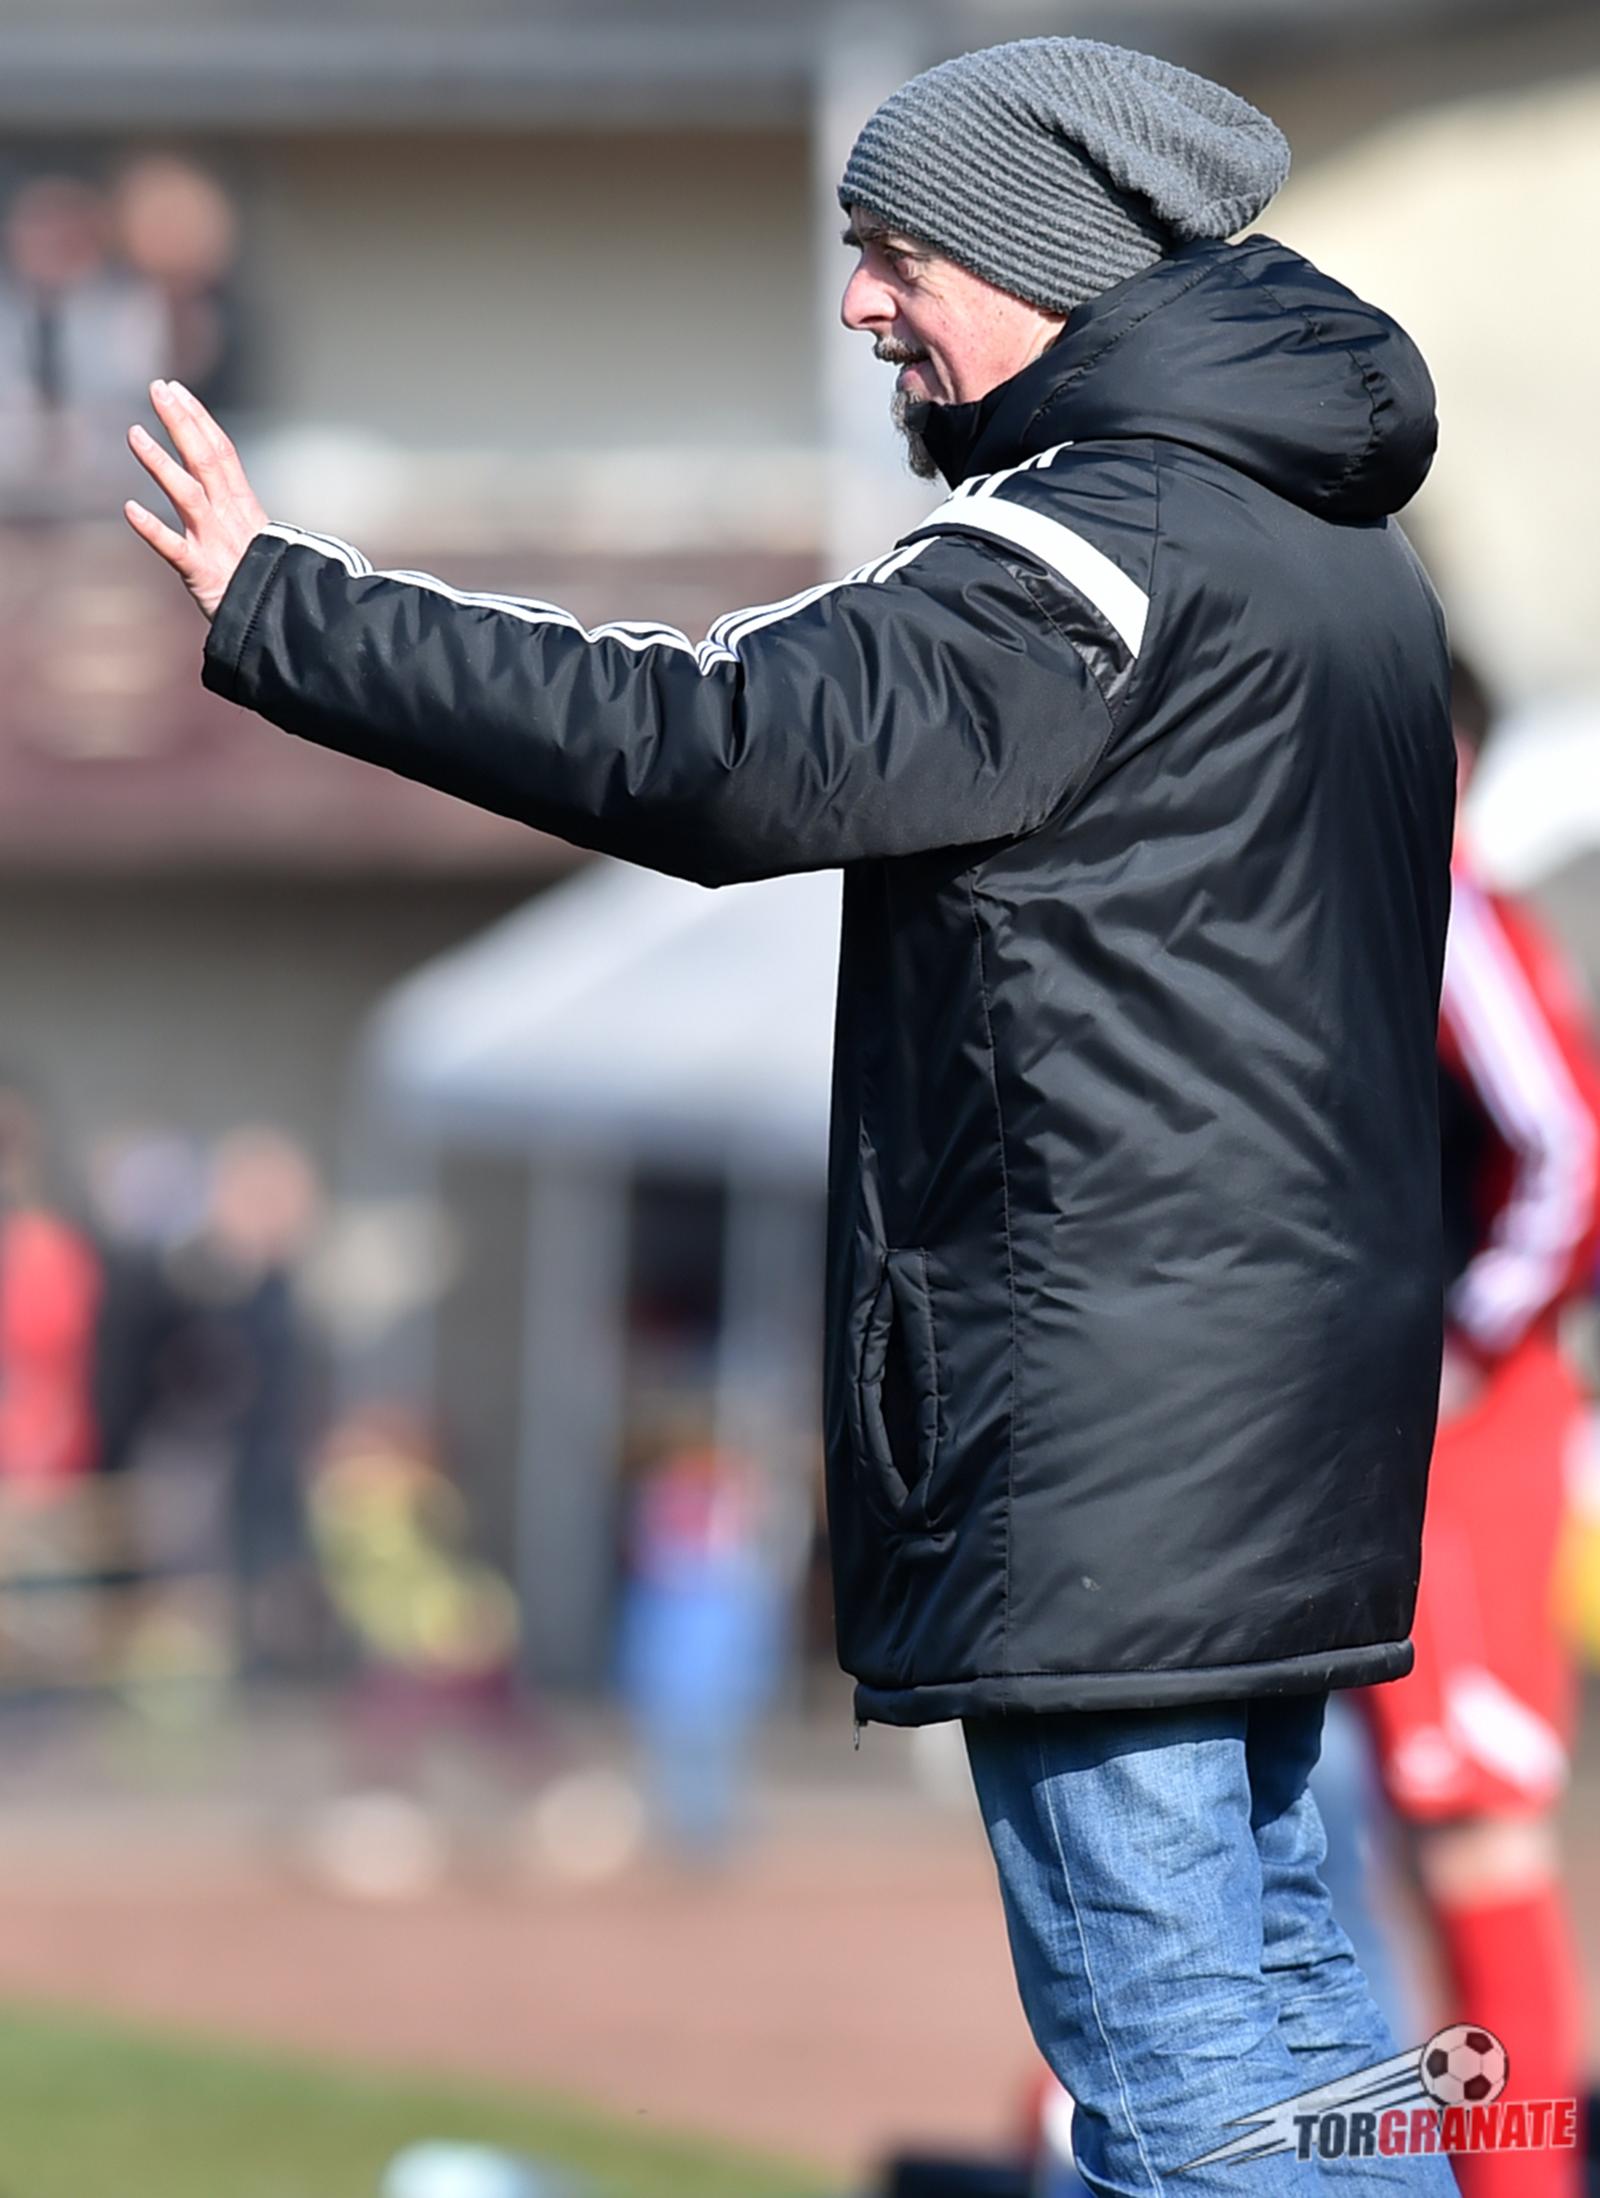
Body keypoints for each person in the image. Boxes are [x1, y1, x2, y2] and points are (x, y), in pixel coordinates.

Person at [123, 37, 1456, 2192]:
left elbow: (716, 749)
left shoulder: (1081, 555)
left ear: (1039, 258)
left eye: (897, 252)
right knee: (1300, 1997)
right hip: (1283, 1401)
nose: (860, 303)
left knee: (1174, 2054)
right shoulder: (1340, 555)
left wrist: (294, 609)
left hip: (1107, 1413)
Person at [1356, 657, 1600, 2198]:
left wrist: (1465, 1338)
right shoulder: (1371, 903)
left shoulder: (1436, 896)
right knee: (1403, 1841)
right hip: (1395, 1430)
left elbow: (1571, 1144)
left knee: (1476, 1831)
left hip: (1465, 1436)